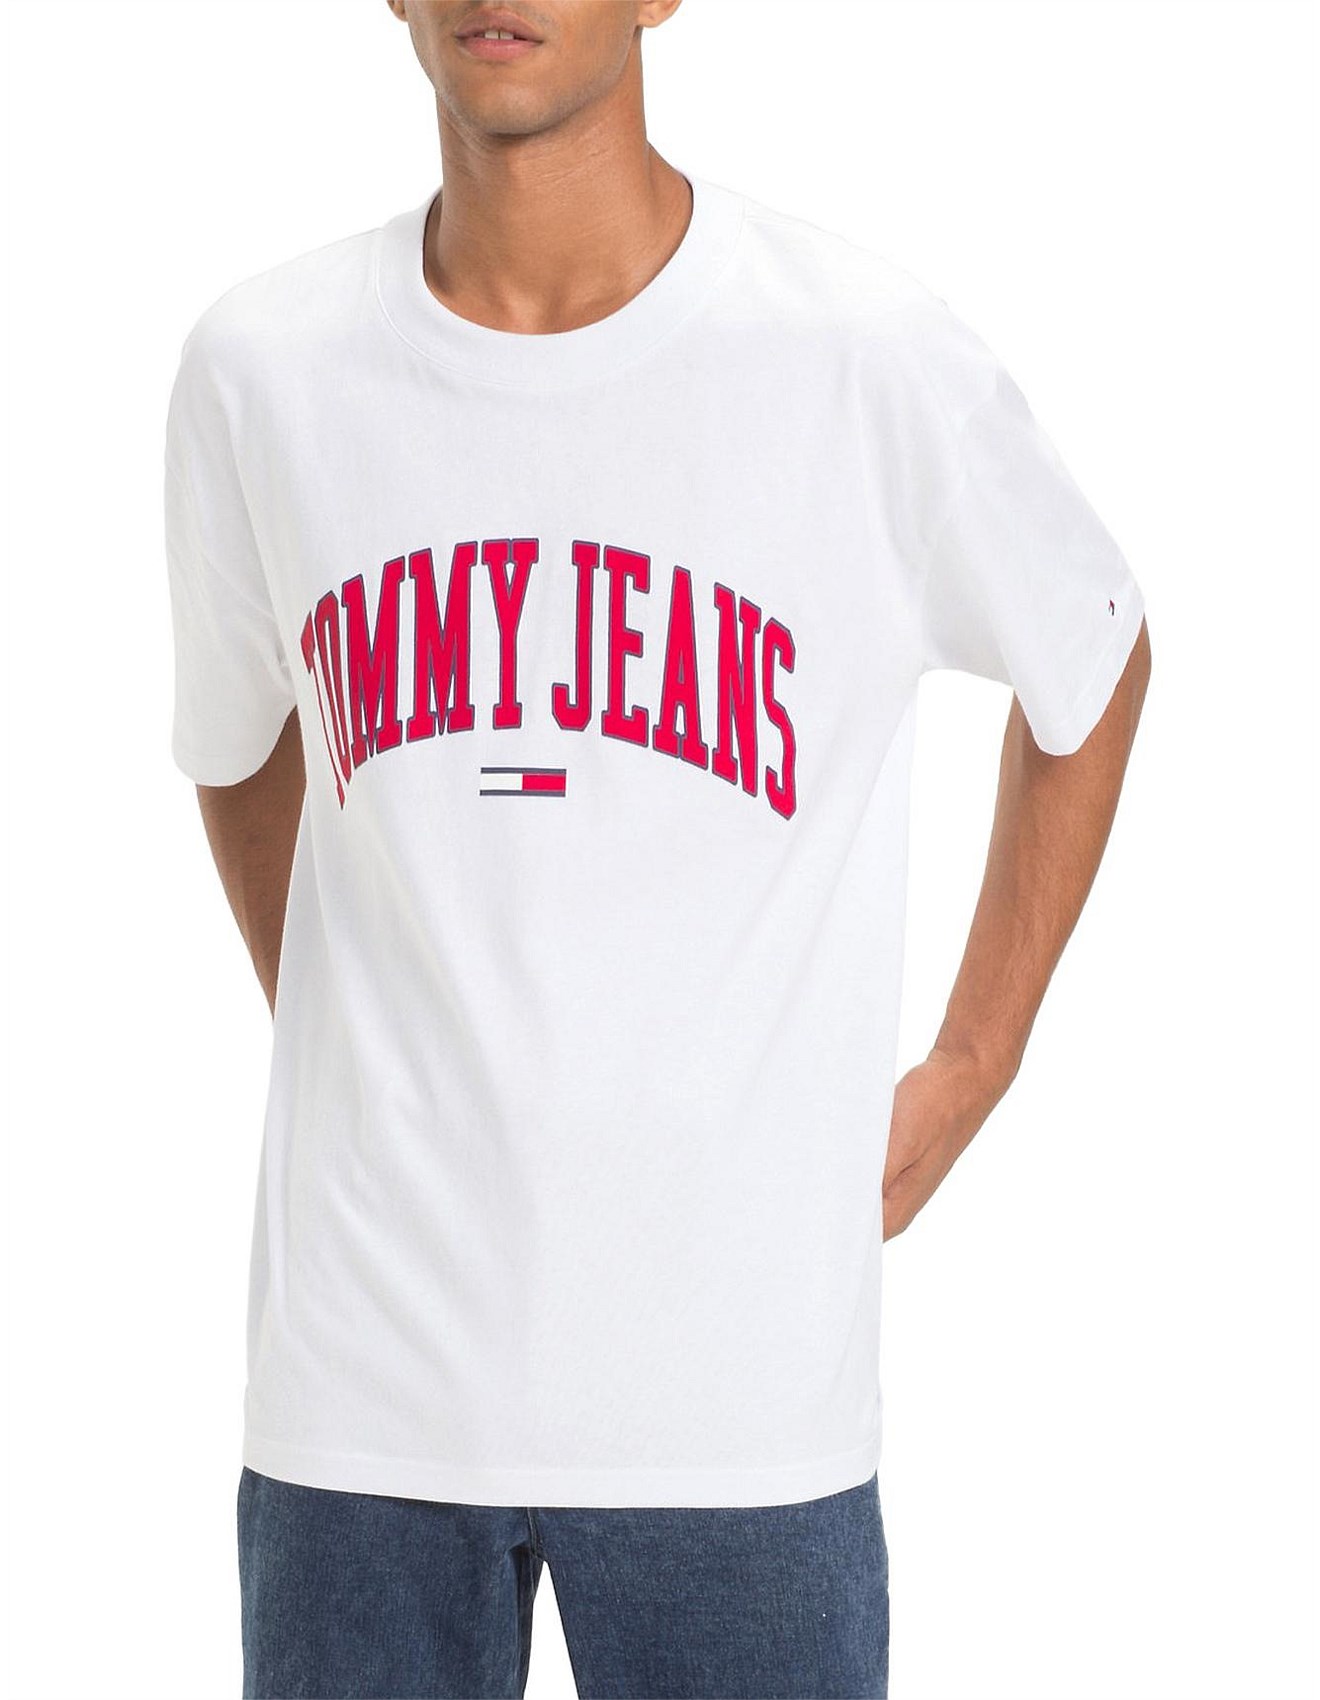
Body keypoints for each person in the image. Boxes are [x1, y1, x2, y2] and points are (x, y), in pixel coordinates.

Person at [161, 1, 1152, 1695]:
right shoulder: (263, 369)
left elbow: (1093, 658)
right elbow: (239, 741)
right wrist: (364, 1029)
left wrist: (976, 1059)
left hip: (738, 1404)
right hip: (359, 1393)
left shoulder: (861, 355)